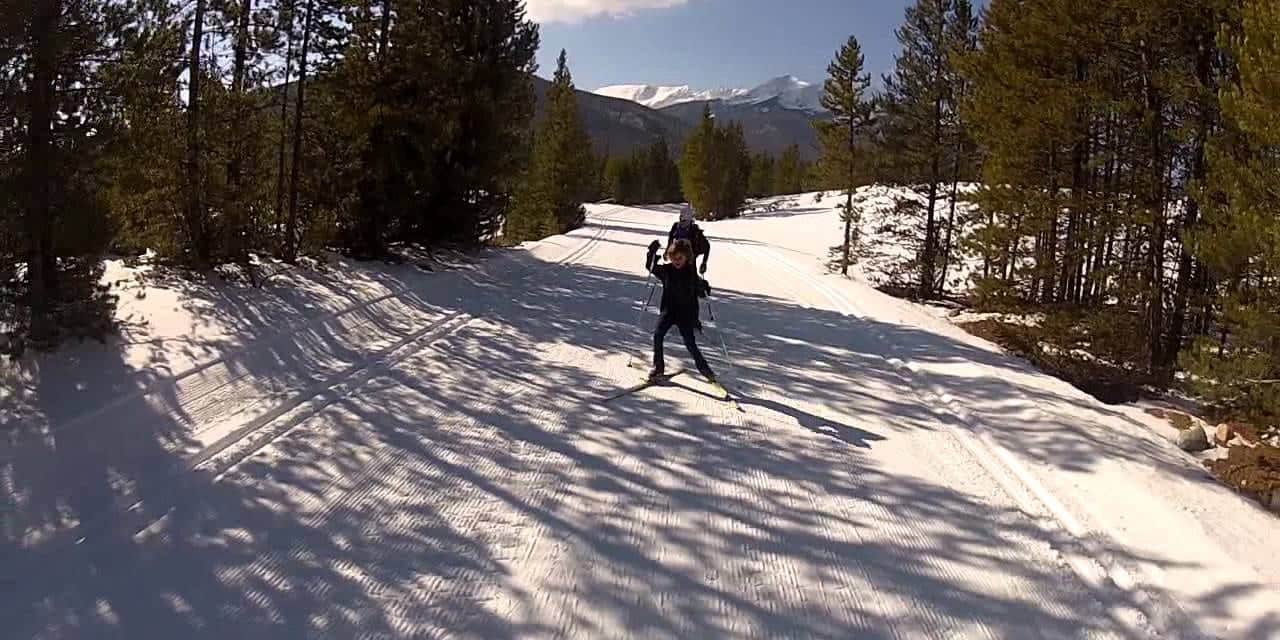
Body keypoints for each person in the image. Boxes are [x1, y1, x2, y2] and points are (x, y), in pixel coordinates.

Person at [646, 238, 716, 382]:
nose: (676, 261)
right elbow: (651, 267)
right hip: (669, 310)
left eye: (679, 258)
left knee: (690, 342)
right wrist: (651, 253)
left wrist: (704, 288)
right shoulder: (667, 271)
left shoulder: (690, 274)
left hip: (685, 313)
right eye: (673, 258)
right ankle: (658, 367)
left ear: (686, 257)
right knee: (658, 335)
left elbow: (701, 290)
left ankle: (705, 370)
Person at [668, 205, 711, 274]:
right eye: (681, 217)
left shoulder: (695, 230)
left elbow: (707, 246)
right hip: (677, 261)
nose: (682, 220)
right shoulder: (676, 226)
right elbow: (670, 238)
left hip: (689, 263)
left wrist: (704, 263)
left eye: (684, 218)